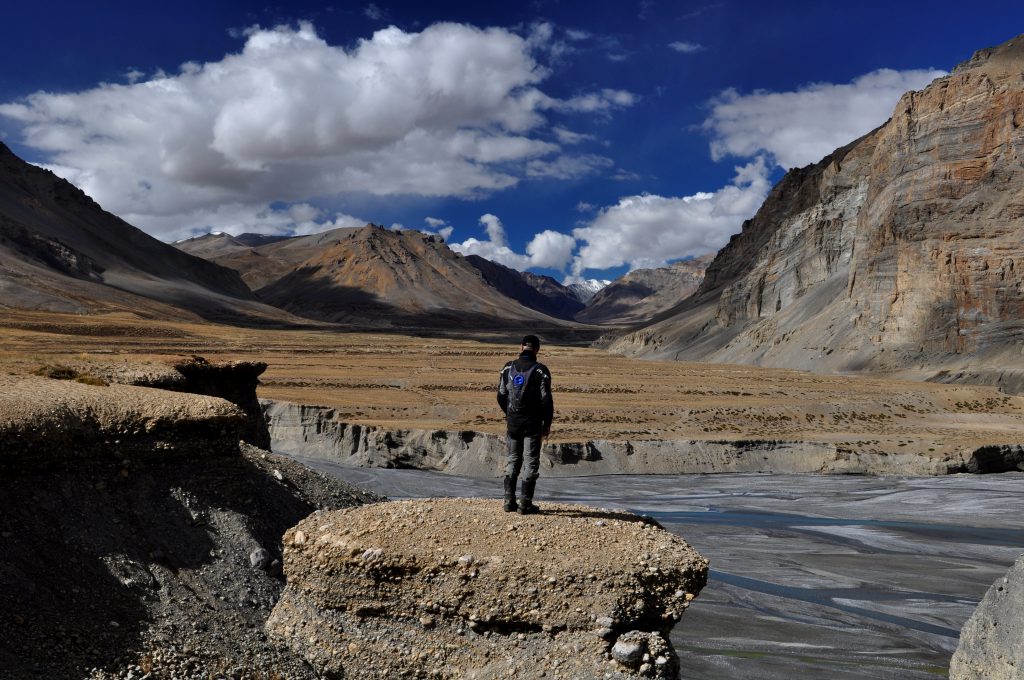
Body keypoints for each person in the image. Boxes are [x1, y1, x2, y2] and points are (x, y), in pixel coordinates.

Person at [496, 334, 553, 514]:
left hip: (513, 424)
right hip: (532, 425)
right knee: (530, 462)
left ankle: (508, 501)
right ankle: (525, 504)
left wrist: (510, 413)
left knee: (513, 460)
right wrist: (547, 424)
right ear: (537, 349)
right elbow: (547, 401)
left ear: (521, 347)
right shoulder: (541, 371)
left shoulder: (507, 368)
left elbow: (500, 395)